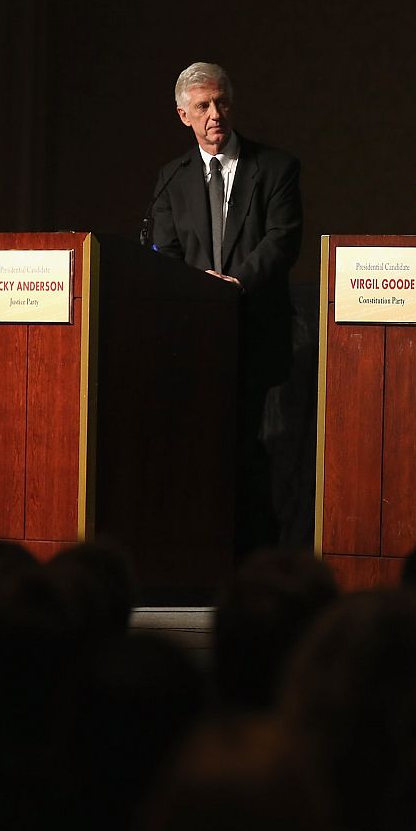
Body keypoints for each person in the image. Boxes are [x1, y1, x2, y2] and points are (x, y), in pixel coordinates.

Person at [150, 62, 304, 554]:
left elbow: (283, 241)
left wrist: (235, 282)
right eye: (203, 106)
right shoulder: (171, 179)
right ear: (183, 115)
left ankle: (268, 565)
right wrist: (199, 293)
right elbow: (166, 251)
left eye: (221, 102)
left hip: (263, 332)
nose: (215, 113)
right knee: (206, 454)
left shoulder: (276, 168)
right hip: (200, 341)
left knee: (268, 456)